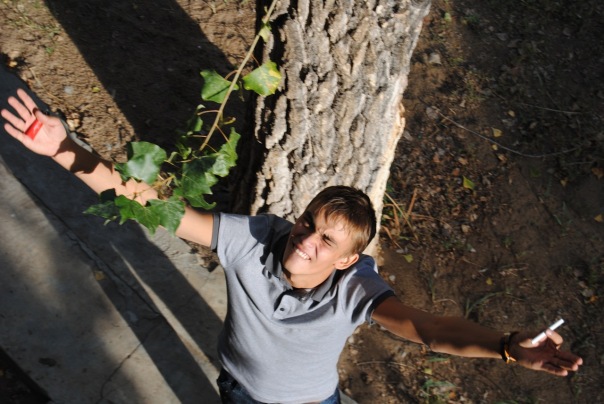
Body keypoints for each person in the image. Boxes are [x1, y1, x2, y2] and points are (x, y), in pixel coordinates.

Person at [2, 89, 583, 403]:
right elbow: (155, 205)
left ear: (349, 259)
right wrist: (63, 150)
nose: (305, 239)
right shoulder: (254, 237)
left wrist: (508, 349)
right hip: (237, 389)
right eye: (308, 223)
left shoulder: (356, 289)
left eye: (326, 240)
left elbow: (428, 329)